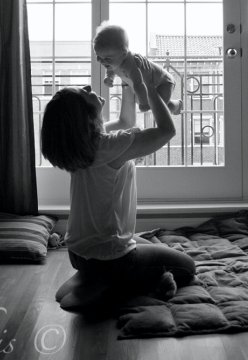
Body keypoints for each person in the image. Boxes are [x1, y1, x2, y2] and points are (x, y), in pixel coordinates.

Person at [41, 60, 195, 315]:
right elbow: (166, 131)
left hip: (78, 253)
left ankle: (92, 279)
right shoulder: (107, 147)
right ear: (83, 115)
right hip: (111, 259)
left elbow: (125, 120)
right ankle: (118, 287)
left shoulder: (84, 146)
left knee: (148, 244)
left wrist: (128, 82)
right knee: (187, 267)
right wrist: (149, 89)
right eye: (83, 93)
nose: (89, 88)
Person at [93, 21, 182, 114]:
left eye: (107, 58)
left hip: (164, 82)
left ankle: (177, 105)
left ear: (123, 53)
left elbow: (138, 84)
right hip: (150, 84)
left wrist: (143, 103)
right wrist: (109, 77)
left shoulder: (131, 64)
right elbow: (110, 68)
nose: (101, 61)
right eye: (98, 56)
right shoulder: (114, 60)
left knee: (159, 108)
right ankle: (174, 106)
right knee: (158, 106)